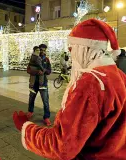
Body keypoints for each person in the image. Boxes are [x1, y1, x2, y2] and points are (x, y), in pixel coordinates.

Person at [13, 19, 126, 160]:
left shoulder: (91, 83)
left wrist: (26, 128)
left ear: (85, 48)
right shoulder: (119, 75)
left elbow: (63, 146)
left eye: (72, 47)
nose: (71, 53)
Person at [26, 44, 52, 126]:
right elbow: (28, 70)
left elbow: (49, 71)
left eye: (44, 50)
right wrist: (37, 72)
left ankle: (46, 117)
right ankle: (30, 111)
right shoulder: (33, 58)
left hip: (43, 83)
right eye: (41, 50)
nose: (42, 52)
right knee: (31, 98)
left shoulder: (46, 60)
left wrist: (44, 71)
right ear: (38, 50)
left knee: (45, 101)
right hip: (34, 83)